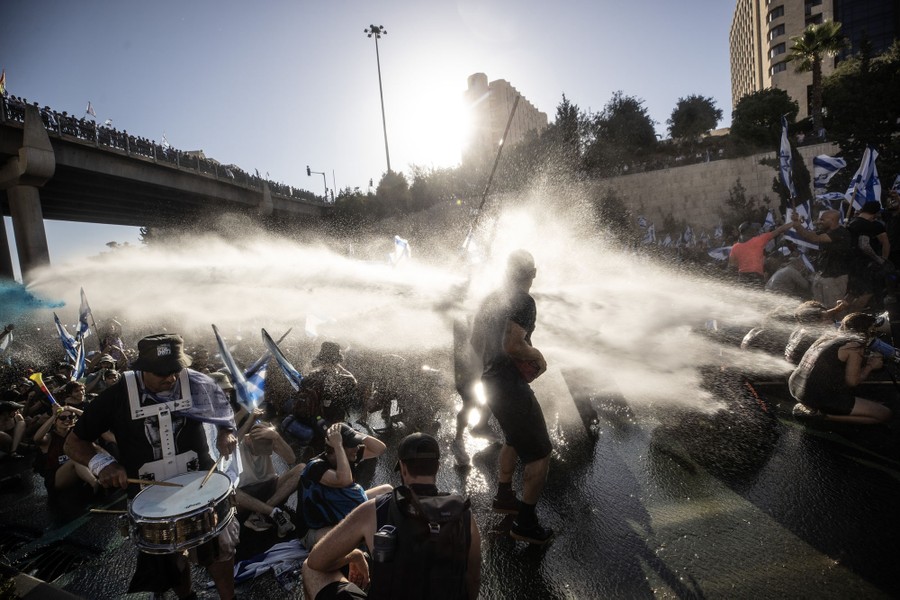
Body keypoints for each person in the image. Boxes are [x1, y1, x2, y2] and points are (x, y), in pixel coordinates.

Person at [64, 333, 239, 600]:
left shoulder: (198, 383)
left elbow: (224, 411)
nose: (170, 378)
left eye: (175, 370)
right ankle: (187, 596)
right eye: (160, 372)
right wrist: (102, 464)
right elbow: (74, 442)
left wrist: (226, 432)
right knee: (169, 558)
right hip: (149, 493)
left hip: (200, 483)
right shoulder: (117, 396)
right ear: (142, 369)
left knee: (219, 547)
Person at [303, 432, 481, 600]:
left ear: (403, 468)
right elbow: (472, 578)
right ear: (437, 467)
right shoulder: (464, 514)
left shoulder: (375, 509)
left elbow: (317, 561)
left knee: (310, 570)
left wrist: (355, 555)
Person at [470, 249, 553, 544]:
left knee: (514, 439)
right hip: (509, 386)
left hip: (491, 382)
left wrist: (491, 368)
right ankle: (526, 524)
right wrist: (538, 356)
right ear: (532, 273)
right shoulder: (523, 300)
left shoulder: (492, 298)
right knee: (541, 452)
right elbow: (513, 345)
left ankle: (505, 496)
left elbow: (475, 340)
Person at [299, 422, 390, 550]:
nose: (357, 448)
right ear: (337, 449)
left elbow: (380, 449)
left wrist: (356, 435)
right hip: (316, 529)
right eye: (353, 445)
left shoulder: (349, 456)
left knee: (387, 490)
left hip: (341, 508)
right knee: (359, 533)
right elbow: (344, 480)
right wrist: (338, 445)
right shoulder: (315, 466)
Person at [788, 312, 892, 424]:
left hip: (795, 386)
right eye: (872, 330)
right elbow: (852, 382)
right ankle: (822, 415)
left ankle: (813, 407)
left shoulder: (828, 336)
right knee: (884, 414)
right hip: (814, 395)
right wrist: (871, 365)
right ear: (864, 330)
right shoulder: (854, 346)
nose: (873, 334)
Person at [237, 418, 304, 537]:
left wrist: (277, 437)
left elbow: (291, 459)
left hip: (270, 485)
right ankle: (271, 512)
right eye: (259, 449)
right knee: (234, 494)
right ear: (248, 439)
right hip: (247, 492)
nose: (263, 452)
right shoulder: (240, 444)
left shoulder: (269, 442)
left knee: (302, 468)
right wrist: (249, 415)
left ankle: (260, 514)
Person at [291, 342, 358, 447]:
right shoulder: (344, 379)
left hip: (313, 422)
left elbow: (303, 384)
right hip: (334, 427)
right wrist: (338, 366)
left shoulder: (310, 377)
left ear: (321, 358)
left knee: (314, 451)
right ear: (337, 360)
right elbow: (354, 382)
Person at [791, 209, 852, 307]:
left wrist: (798, 226)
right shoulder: (826, 231)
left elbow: (814, 238)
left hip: (835, 277)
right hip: (822, 275)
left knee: (834, 307)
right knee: (819, 307)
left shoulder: (841, 232)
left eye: (822, 220)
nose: (819, 222)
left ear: (831, 220)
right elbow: (808, 235)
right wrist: (797, 224)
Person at [32, 404, 98, 496]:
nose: (67, 420)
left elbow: (92, 419)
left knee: (93, 447)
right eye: (62, 418)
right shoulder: (49, 438)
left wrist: (71, 408)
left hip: (79, 474)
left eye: (70, 417)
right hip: (57, 479)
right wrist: (54, 415)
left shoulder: (75, 433)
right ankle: (96, 484)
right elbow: (36, 438)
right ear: (55, 421)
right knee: (75, 460)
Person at [845, 200, 892, 312]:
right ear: (875, 212)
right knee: (867, 293)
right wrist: (881, 260)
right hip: (864, 266)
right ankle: (852, 318)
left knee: (852, 292)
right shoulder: (868, 225)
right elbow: (864, 245)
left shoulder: (852, 222)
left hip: (851, 264)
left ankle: (840, 314)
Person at [728, 220, 793, 285]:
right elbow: (779, 230)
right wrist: (793, 223)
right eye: (753, 229)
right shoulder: (759, 240)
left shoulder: (735, 247)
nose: (755, 230)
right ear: (749, 231)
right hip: (756, 277)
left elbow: (732, 266)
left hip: (742, 278)